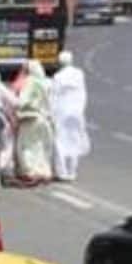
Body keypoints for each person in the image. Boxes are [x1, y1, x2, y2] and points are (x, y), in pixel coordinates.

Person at [13, 60, 55, 185]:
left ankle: (29, 172)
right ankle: (44, 172)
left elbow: (22, 101)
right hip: (45, 119)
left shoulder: (31, 82)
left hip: (30, 119)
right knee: (41, 147)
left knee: (25, 146)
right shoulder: (47, 82)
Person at [51, 51, 89, 182]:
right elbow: (83, 92)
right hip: (76, 111)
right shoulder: (79, 74)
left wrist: (51, 114)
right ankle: (72, 171)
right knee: (74, 140)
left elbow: (54, 97)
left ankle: (62, 172)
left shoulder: (58, 77)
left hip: (62, 112)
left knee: (60, 141)